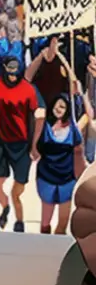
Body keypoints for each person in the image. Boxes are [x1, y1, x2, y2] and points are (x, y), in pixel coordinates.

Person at [0, 56, 39, 233]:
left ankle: (19, 219)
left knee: (18, 188)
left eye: (16, 72)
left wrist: (34, 145)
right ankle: (5, 207)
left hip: (22, 143)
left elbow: (35, 117)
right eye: (10, 71)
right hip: (1, 139)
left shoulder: (28, 90)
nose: (13, 76)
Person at [34, 93, 86, 235]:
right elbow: (36, 150)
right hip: (46, 178)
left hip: (66, 179)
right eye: (56, 105)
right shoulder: (44, 125)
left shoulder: (72, 129)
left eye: (62, 107)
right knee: (45, 224)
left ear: (67, 110)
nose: (58, 109)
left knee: (63, 223)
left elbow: (78, 151)